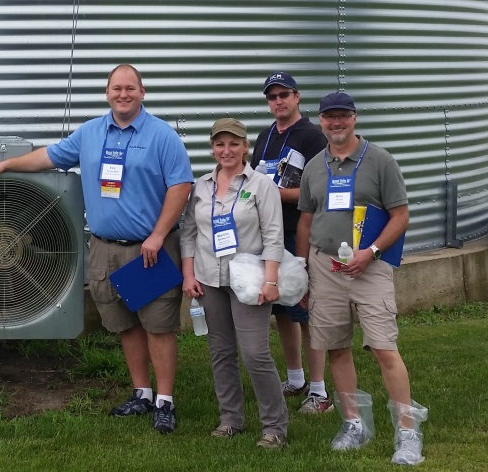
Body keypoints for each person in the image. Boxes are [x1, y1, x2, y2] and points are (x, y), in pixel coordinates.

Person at [0, 64, 193, 434]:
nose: (123, 94)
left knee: (157, 325)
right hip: (104, 248)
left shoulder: (161, 136)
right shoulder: (91, 133)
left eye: (130, 88)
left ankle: (165, 401)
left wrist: (158, 234)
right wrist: (7, 164)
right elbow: (49, 156)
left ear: (142, 92)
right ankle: (142, 393)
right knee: (125, 323)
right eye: (116, 88)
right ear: (107, 93)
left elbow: (181, 186)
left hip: (148, 249)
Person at [296, 92, 426, 465]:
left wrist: (370, 253)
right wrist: (303, 268)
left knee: (384, 348)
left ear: (354, 118)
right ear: (320, 121)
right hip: (325, 267)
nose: (336, 123)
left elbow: (401, 216)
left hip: (370, 266)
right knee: (336, 347)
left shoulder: (380, 160)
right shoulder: (314, 167)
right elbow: (306, 220)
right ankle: (355, 424)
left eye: (342, 116)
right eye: (328, 117)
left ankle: (407, 431)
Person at [179, 118, 289, 449]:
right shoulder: (201, 186)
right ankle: (231, 419)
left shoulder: (260, 185)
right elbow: (188, 232)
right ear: (212, 148)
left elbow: (273, 235)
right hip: (209, 279)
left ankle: (275, 427)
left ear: (245, 147)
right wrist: (188, 274)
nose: (226, 151)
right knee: (221, 350)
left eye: (234, 144)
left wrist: (271, 279)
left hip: (249, 281)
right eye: (219, 144)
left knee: (255, 353)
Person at [251, 72, 331, 413]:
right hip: (269, 234)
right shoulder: (264, 136)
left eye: (284, 94)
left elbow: (321, 189)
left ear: (297, 97)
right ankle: (296, 378)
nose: (278, 101)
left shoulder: (312, 137)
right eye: (272, 96)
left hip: (301, 232)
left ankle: (319, 389)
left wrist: (277, 194)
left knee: (307, 310)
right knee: (283, 309)